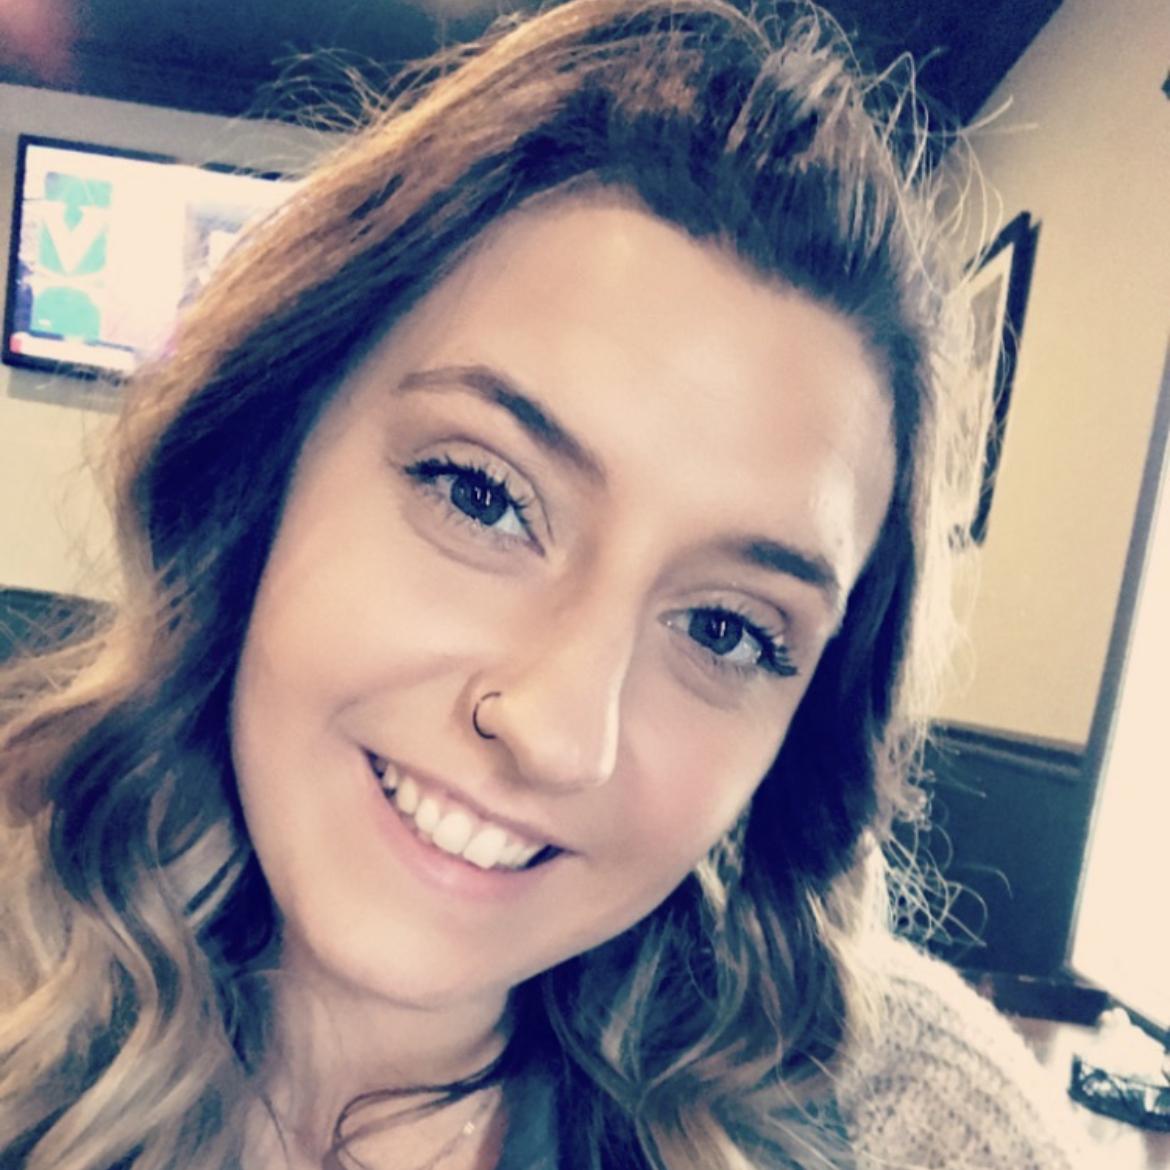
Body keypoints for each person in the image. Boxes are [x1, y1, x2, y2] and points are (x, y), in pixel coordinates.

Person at [0, 2, 1086, 1168]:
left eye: (725, 629)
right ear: (267, 460)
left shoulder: (907, 1121)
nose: (560, 733)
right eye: (481, 495)